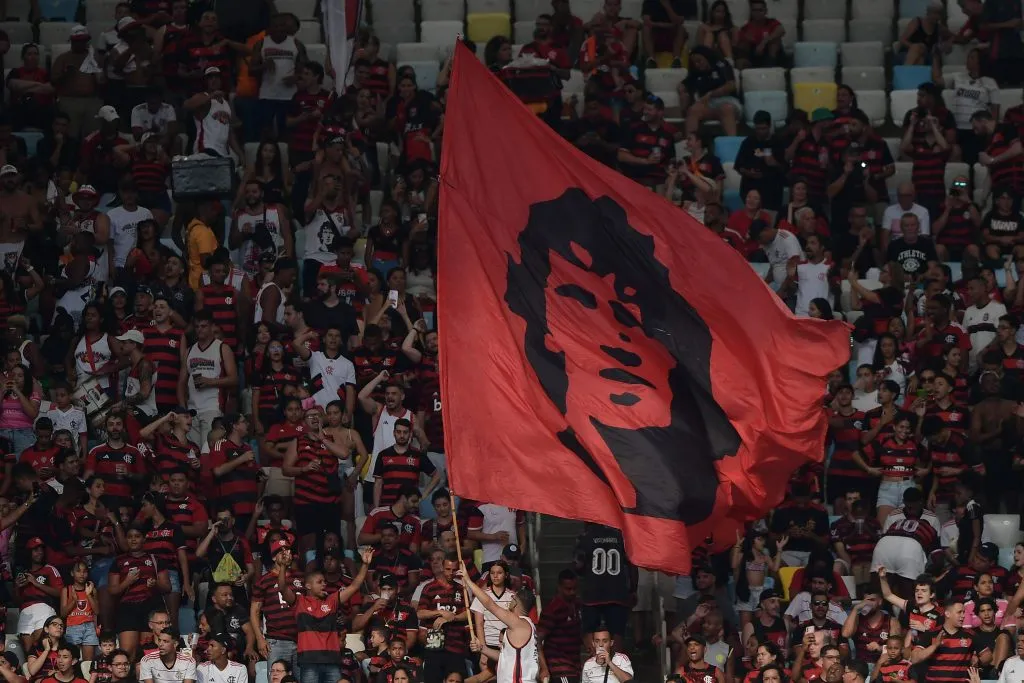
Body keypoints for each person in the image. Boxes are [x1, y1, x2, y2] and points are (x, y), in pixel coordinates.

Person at [275, 545, 373, 683]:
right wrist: (283, 567)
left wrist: (364, 564)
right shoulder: (299, 602)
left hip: (332, 661)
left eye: (324, 582)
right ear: (308, 586)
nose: (324, 585)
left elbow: (355, 585)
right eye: (319, 582)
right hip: (308, 661)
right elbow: (282, 588)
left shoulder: (332, 600)